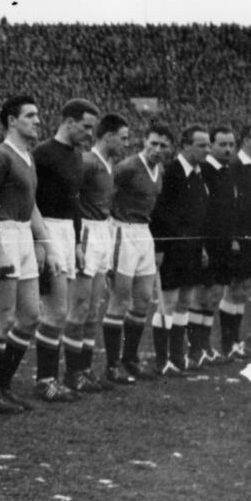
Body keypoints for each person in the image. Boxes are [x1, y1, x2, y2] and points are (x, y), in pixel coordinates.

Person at [0, 95, 62, 414]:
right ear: (12, 121)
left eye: (37, 114)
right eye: (30, 115)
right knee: (4, 317)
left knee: (30, 317)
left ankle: (2, 385)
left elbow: (32, 205)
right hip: (3, 234)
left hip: (24, 233)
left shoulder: (26, 156)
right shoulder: (0, 156)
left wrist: (47, 245)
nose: (38, 120)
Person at [30, 99, 100, 397]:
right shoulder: (42, 153)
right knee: (54, 311)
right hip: (46, 229)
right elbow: (29, 199)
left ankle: (55, 379)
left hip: (68, 236)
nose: (89, 134)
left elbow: (74, 204)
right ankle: (45, 381)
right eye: (85, 127)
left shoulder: (77, 157)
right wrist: (39, 241)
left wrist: (77, 244)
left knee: (62, 310)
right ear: (68, 121)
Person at [102, 122, 174, 382]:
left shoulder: (160, 170)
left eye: (163, 145)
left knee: (143, 299)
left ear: (169, 149)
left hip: (144, 233)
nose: (157, 149)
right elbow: (106, 195)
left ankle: (129, 358)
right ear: (144, 141)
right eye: (153, 143)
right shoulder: (128, 167)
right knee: (119, 300)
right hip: (123, 230)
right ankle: (112, 366)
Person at [70, 113, 130, 386]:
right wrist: (76, 239)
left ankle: (85, 370)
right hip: (87, 231)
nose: (126, 144)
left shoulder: (108, 163)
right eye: (123, 138)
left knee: (94, 308)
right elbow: (70, 196)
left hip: (104, 231)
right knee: (80, 306)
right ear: (108, 136)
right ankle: (73, 372)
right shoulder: (87, 162)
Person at [151, 124, 212, 376]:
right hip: (173, 248)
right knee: (168, 302)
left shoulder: (198, 174)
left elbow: (200, 215)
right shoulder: (171, 172)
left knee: (185, 301)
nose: (206, 150)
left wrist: (203, 247)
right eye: (201, 145)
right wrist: (161, 247)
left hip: (193, 248)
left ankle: (178, 357)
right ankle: (162, 360)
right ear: (186, 146)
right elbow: (160, 215)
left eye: (208, 145)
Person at [219, 125, 251, 360]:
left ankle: (235, 343)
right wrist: (234, 239)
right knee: (233, 290)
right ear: (246, 141)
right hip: (241, 240)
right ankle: (228, 344)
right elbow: (228, 206)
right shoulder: (236, 168)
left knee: (240, 292)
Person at [189, 126, 239, 367]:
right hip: (207, 245)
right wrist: (202, 246)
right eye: (222, 144)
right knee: (201, 297)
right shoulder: (204, 171)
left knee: (214, 297)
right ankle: (195, 347)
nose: (228, 149)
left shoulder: (228, 171)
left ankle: (205, 346)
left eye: (231, 144)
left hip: (224, 246)